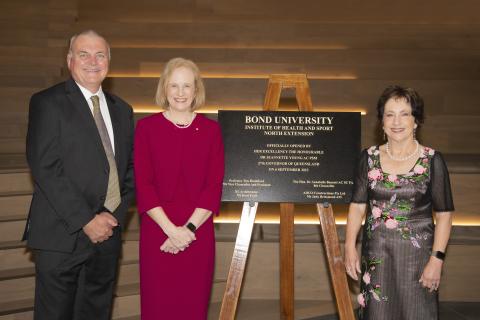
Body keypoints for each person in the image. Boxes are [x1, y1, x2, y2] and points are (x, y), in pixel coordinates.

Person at [24, 30, 135, 320]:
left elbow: (129, 171)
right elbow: (45, 168)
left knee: (96, 313)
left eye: (100, 55)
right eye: (84, 54)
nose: (93, 61)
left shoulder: (122, 110)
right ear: (70, 60)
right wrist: (87, 220)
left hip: (107, 236)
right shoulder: (47, 103)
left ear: (109, 61)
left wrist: (112, 217)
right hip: (62, 235)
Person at [344, 85, 454, 319]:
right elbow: (357, 206)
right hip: (377, 258)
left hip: (418, 260)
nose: (397, 121)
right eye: (389, 114)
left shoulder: (432, 160)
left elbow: (444, 215)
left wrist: (437, 259)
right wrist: (349, 246)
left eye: (404, 114)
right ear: (382, 122)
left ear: (416, 121)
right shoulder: (369, 158)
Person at [134, 57, 224, 319]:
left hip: (197, 233)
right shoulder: (146, 128)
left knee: (193, 306)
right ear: (164, 89)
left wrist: (187, 231)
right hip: (157, 233)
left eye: (187, 86)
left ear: (196, 90)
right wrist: (171, 230)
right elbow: (144, 184)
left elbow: (213, 186)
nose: (181, 93)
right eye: (174, 86)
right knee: (157, 305)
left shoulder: (211, 131)